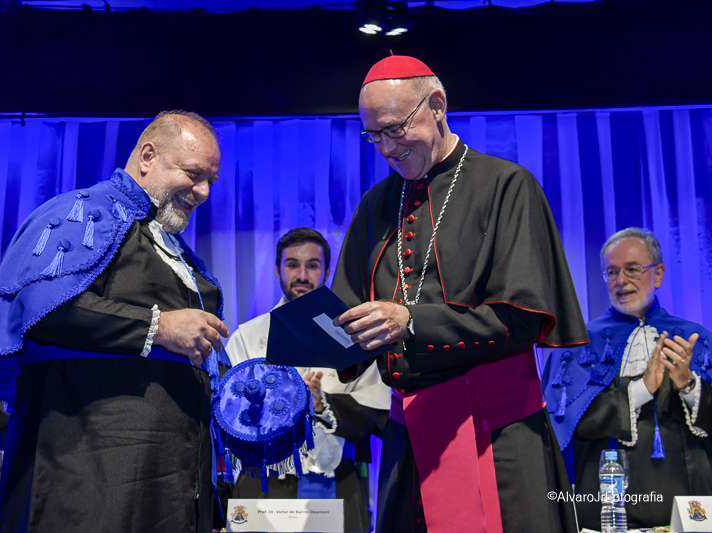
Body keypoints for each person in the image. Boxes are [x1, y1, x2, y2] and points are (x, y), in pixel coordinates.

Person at [330, 54, 589, 533]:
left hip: (497, 433)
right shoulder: (374, 206)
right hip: (409, 441)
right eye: (374, 136)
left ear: (437, 105)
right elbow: (345, 318)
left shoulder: (507, 186)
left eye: (395, 129)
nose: (386, 148)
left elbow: (522, 320)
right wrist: (314, 342)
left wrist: (410, 321)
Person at [0, 111, 230, 533]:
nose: (202, 192)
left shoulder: (174, 247)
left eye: (210, 182)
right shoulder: (82, 213)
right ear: (148, 156)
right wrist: (160, 327)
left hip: (173, 486)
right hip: (88, 483)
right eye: (193, 174)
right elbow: (42, 311)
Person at [544, 228, 712, 529]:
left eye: (633, 269)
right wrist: (641, 390)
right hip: (608, 502)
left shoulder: (696, 338)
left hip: (690, 503)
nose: (621, 281)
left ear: (657, 274)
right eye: (612, 272)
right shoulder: (579, 343)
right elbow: (564, 423)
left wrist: (687, 384)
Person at [226, 228, 389, 532]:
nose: (302, 275)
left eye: (313, 265)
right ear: (278, 270)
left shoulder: (355, 338)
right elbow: (227, 411)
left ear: (327, 270)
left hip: (335, 480)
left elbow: (378, 410)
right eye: (292, 265)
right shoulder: (247, 336)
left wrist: (322, 404)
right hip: (261, 479)